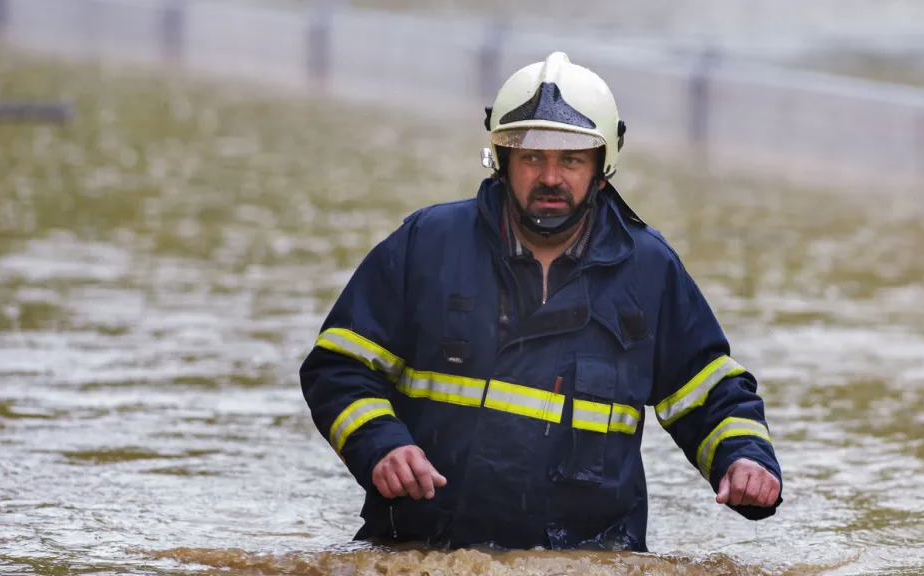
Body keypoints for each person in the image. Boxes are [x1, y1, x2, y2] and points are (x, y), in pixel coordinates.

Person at [300, 51, 782, 552]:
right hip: (423, 550)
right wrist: (380, 444)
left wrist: (744, 458)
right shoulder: (428, 244)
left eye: (570, 160)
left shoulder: (649, 270)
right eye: (532, 158)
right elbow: (338, 368)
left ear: (602, 168)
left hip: (588, 557)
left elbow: (709, 392)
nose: (550, 177)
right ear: (502, 161)